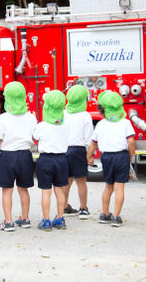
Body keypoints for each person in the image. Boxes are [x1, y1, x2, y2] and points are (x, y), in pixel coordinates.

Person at [0, 81, 37, 232]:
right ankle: (25, 218)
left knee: (7, 190)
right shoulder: (31, 117)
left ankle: (8, 221)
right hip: (25, 156)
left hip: (7, 157)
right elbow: (35, 137)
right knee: (23, 189)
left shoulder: (2, 118)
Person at [86, 91, 135, 227]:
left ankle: (104, 214)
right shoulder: (125, 123)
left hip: (106, 157)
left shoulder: (101, 125)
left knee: (108, 187)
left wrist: (89, 156)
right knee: (119, 188)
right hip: (121, 156)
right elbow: (130, 141)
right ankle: (116, 216)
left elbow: (93, 144)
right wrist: (131, 154)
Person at [33, 90, 70, 231]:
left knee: (46, 191)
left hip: (46, 160)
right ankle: (60, 219)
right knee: (59, 190)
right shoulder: (66, 125)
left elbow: (35, 137)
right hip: (61, 159)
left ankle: (46, 221)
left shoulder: (42, 125)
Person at [63, 84, 93, 219]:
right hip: (79, 150)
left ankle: (64, 206)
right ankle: (83, 208)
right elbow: (89, 137)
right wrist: (89, 155)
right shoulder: (85, 115)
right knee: (81, 181)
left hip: (64, 149)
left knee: (66, 180)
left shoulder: (63, 113)